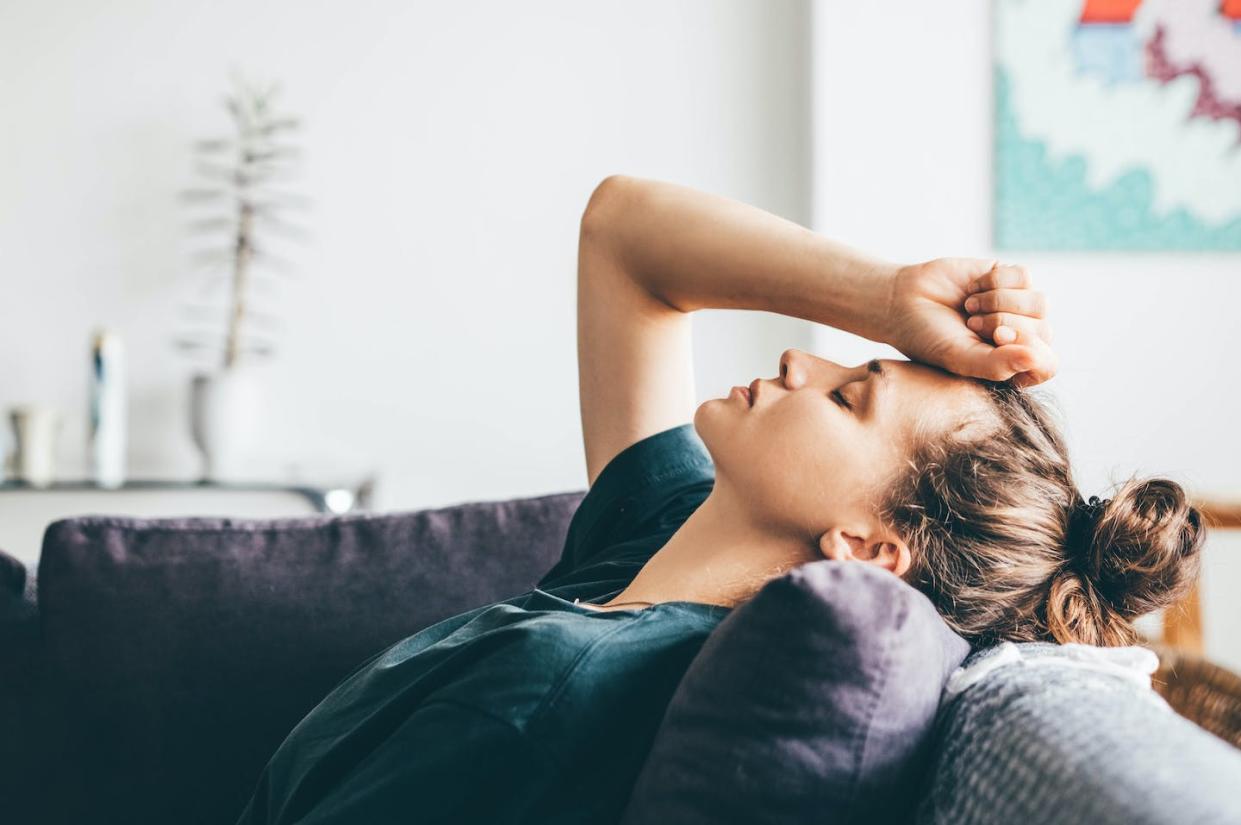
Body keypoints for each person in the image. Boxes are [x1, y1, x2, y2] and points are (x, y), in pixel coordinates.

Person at [234, 175, 1203, 824]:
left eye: (847, 396)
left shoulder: (559, 688)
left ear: (865, 547)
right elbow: (623, 231)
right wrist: (891, 296)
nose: (798, 356)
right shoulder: (657, 541)